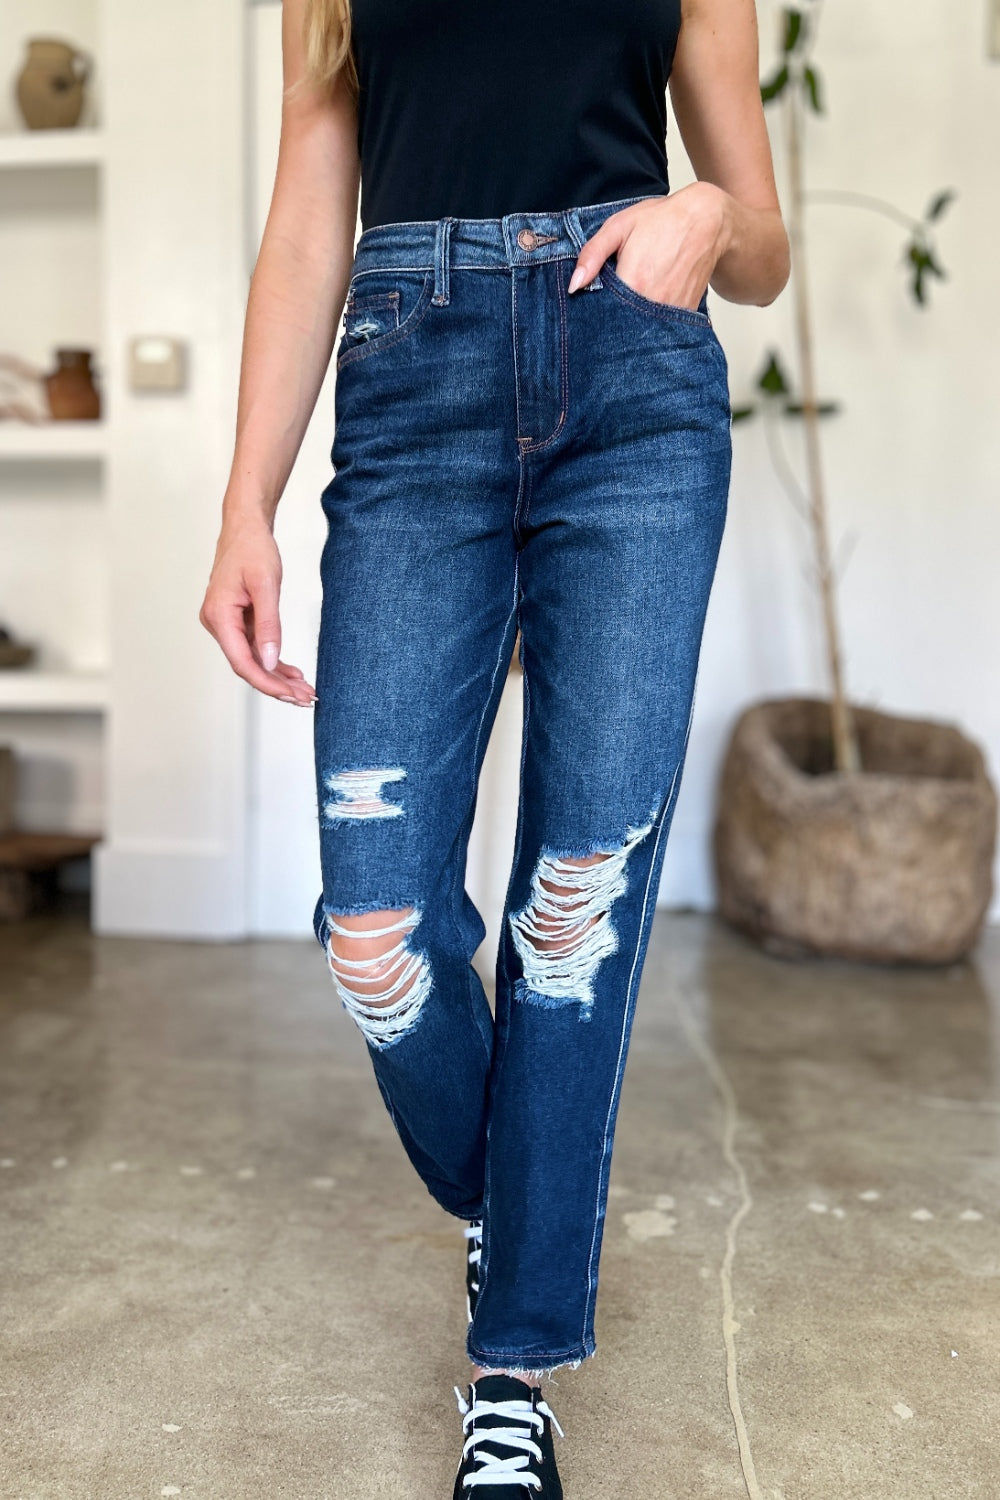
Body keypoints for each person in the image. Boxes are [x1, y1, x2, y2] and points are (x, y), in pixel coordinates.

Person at [200, 0, 789, 1491]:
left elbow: (769, 245)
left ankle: (513, 1364)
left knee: (574, 908)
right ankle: (531, 1206)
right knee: (375, 922)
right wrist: (242, 507)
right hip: (413, 382)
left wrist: (707, 207)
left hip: (636, 384)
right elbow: (303, 228)